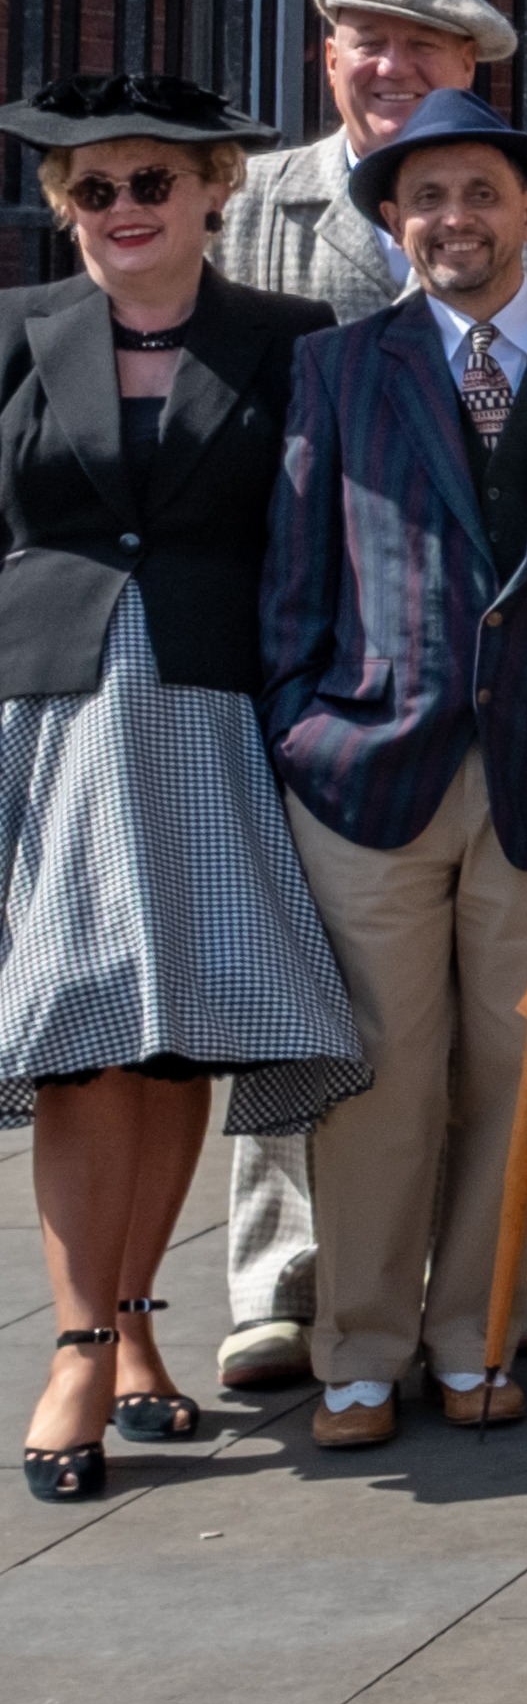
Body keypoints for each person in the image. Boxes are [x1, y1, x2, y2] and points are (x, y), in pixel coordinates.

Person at [260, 90, 527, 1443]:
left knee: (511, 1065)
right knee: (382, 1069)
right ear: (395, 226)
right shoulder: (341, 368)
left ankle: (477, 1331)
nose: (454, 218)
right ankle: (359, 1342)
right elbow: (295, 579)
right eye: (425, 199)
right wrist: (301, 723)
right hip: (368, 772)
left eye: (479, 194)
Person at [218, 0, 527, 1397]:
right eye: (360, 43)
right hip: (341, 654)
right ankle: (287, 1279)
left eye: (418, 48)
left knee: (499, 1023)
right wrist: (294, 700)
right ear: (325, 57)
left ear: (470, 71)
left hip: (512, 680)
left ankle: (501, 1270)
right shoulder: (263, 195)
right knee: (326, 1007)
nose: (385, 66)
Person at [0, 75, 356, 1499]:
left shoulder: (292, 342)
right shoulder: (19, 335)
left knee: (171, 1036)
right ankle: (81, 1345)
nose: (125, 210)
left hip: (215, 708)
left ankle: (140, 1326)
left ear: (218, 190)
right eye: (95, 189)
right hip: (49, 716)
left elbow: (331, 525)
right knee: (78, 1031)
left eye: (154, 182)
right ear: (63, 207)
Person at [232, 0, 527, 321]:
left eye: (423, 44)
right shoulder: (250, 199)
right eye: (370, 44)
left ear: (467, 64)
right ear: (333, 62)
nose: (393, 67)